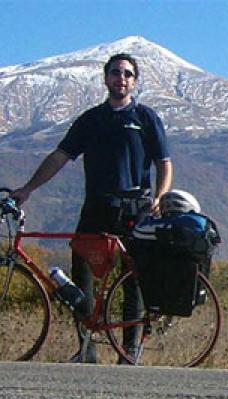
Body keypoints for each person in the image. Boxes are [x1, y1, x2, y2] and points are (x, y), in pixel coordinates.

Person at [11, 53, 173, 363]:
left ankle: (129, 351)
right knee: (80, 274)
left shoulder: (146, 118)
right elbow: (59, 157)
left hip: (134, 209)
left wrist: (160, 196)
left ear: (134, 81)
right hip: (97, 207)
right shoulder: (91, 119)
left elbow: (164, 164)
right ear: (106, 78)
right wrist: (28, 189)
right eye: (115, 73)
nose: (120, 78)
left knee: (132, 279)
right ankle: (86, 348)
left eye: (127, 74)